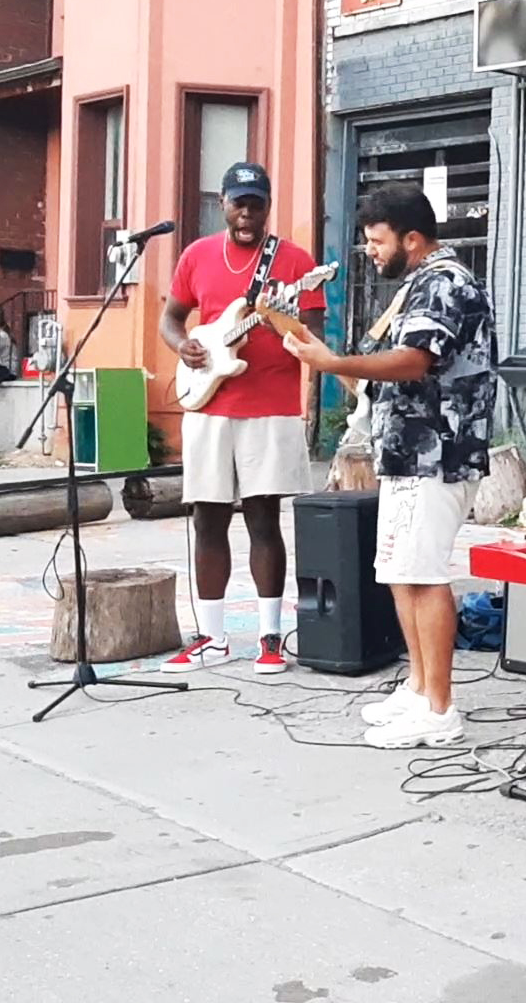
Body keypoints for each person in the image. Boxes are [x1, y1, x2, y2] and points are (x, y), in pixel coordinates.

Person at [283, 183, 496, 748]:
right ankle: (422, 689)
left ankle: (441, 707)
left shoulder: (445, 282)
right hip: (409, 450)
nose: (370, 251)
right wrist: (331, 361)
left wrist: (335, 361)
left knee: (424, 575)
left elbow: (415, 360)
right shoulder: (419, 284)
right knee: (401, 570)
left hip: (438, 451)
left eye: (376, 241)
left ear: (412, 238)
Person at [159, 162, 325, 675]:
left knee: (262, 520)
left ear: (268, 206)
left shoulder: (295, 261)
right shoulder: (197, 255)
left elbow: (310, 337)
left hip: (269, 406)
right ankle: (211, 637)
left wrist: (278, 315)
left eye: (256, 203)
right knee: (207, 519)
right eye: (238, 202)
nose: (247, 212)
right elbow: (171, 318)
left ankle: (269, 637)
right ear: (223, 204)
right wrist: (181, 346)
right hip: (208, 402)